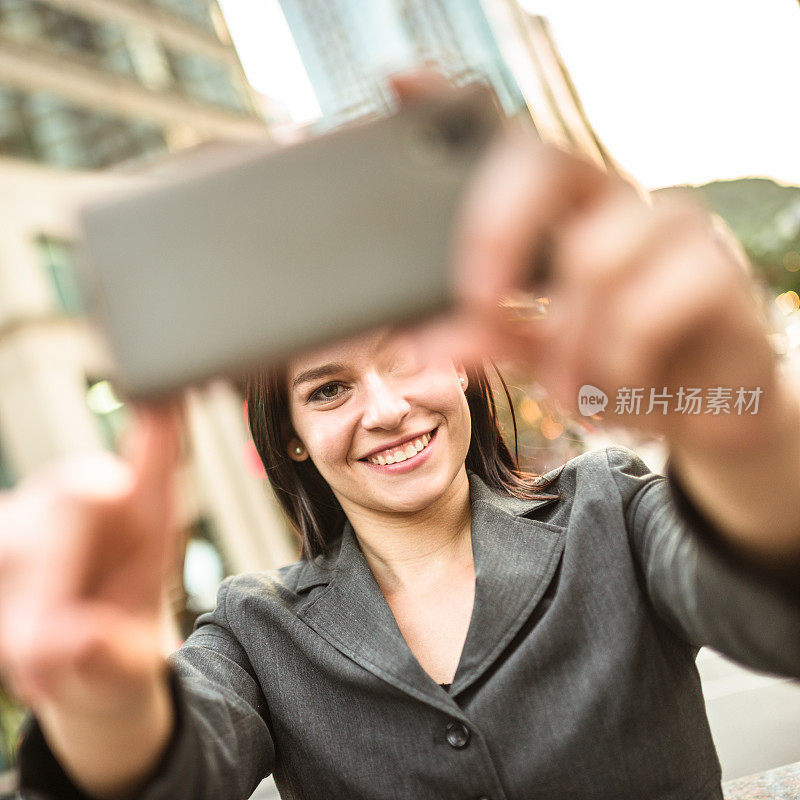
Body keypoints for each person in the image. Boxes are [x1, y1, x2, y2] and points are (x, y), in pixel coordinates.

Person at [2, 76, 800, 800]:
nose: (384, 409)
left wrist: (749, 439)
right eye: (329, 389)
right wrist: (100, 697)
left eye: (406, 357)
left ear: (461, 368)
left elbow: (773, 613)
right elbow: (173, 771)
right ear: (294, 441)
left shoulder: (610, 509)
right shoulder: (256, 630)